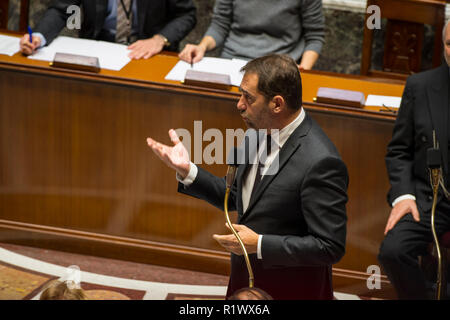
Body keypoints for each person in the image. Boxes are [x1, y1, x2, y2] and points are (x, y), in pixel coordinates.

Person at [147, 54, 348, 299]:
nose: (239, 104)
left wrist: (260, 244)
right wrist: (187, 170)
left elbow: (329, 246)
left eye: (248, 98)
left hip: (292, 290)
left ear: (277, 104)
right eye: (241, 94)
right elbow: (236, 198)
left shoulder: (321, 161)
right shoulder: (255, 133)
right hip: (245, 282)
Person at [378, 20, 450, 300]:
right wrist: (404, 196)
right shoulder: (420, 86)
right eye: (449, 43)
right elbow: (398, 150)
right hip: (429, 197)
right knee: (393, 252)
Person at [20, 0, 196, 60]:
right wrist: (38, 37)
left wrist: (160, 39)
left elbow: (187, 15)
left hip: (148, 55)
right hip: (99, 50)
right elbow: (61, 9)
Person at [178, 0, 324, 70]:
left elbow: (315, 35)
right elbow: (220, 25)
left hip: (279, 67)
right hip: (233, 62)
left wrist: (304, 68)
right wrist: (202, 47)